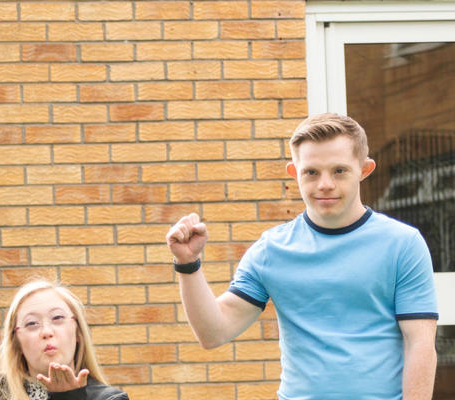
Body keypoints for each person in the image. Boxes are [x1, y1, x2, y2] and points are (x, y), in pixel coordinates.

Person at [166, 113, 437, 400]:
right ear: (294, 172)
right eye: (311, 172)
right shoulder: (271, 249)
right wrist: (188, 264)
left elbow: (420, 344)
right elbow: (214, 333)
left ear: (364, 169)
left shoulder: (402, 244)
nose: (325, 184)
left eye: (339, 171)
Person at [0, 280, 127, 400]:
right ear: (17, 343)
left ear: (78, 333)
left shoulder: (110, 398)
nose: (46, 331)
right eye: (32, 323)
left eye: (57, 318)